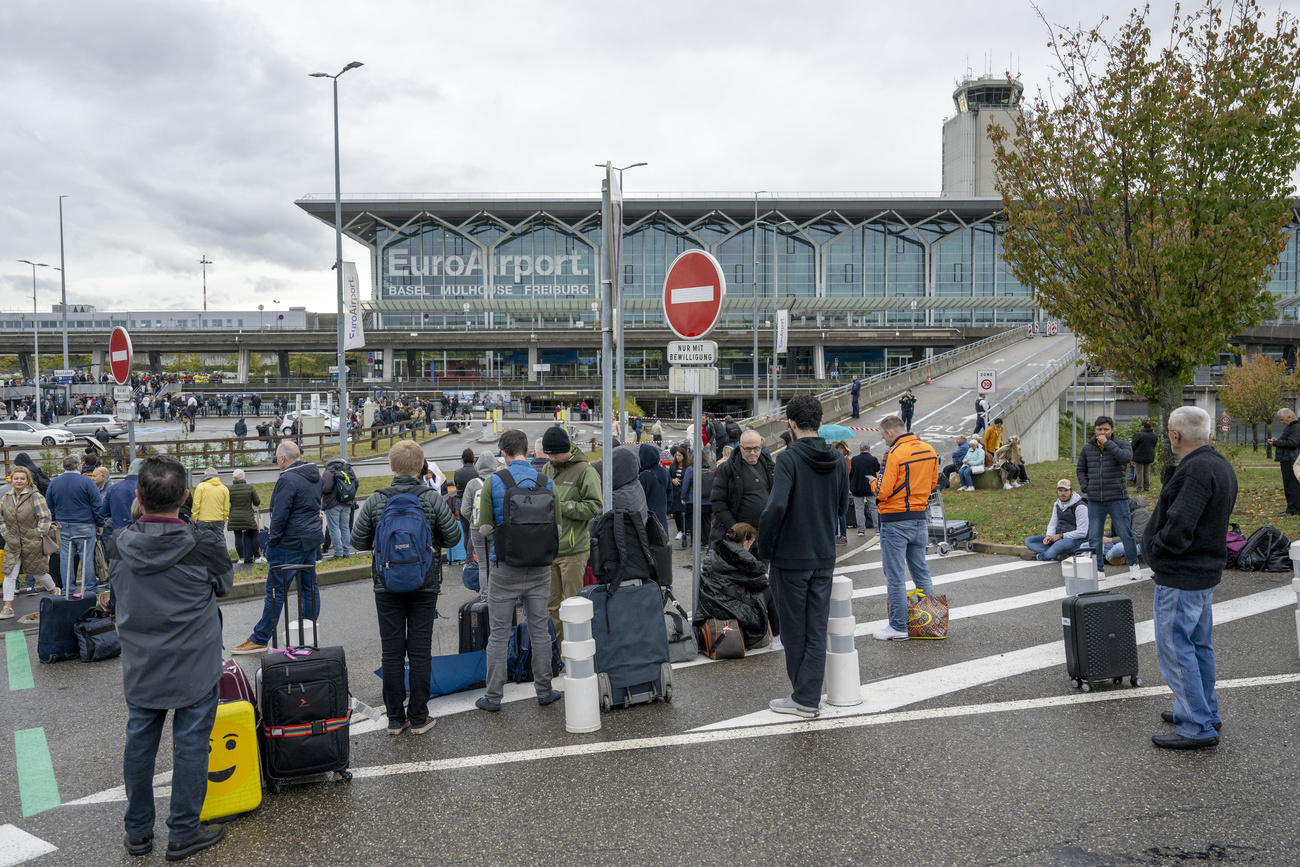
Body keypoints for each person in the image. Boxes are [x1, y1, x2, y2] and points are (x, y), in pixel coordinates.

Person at [106, 454, 232, 861]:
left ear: (139, 497)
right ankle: (183, 830)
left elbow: (117, 594)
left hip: (142, 661)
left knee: (139, 743)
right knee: (193, 744)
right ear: (186, 497)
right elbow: (224, 587)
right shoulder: (204, 544)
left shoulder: (118, 546)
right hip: (195, 660)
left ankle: (138, 832)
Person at [351, 439, 460, 736]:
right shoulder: (431, 498)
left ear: (391, 466)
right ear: (421, 467)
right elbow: (452, 537)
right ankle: (420, 717)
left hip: (386, 584)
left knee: (392, 651)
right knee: (420, 650)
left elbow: (357, 541)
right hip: (424, 582)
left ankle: (395, 719)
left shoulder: (377, 500)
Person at [1144, 406, 1235, 749]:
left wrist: (1157, 548)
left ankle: (1196, 725)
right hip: (1203, 571)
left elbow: (1180, 524)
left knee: (1175, 648)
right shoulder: (1218, 464)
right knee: (1197, 646)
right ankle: (1202, 710)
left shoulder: (1196, 469)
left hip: (1183, 574)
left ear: (1175, 435)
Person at [757, 394, 848, 718]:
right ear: (820, 423)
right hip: (823, 555)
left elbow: (776, 507)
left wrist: (765, 549)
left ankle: (805, 698)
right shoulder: (837, 461)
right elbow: (842, 507)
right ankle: (808, 694)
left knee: (794, 629)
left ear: (790, 423)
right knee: (815, 627)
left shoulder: (788, 459)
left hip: (791, 557)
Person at [475, 429, 561, 712]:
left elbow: (485, 528)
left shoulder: (493, 482)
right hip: (539, 568)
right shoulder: (546, 482)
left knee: (499, 633)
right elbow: (557, 528)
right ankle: (545, 690)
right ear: (527, 449)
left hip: (504, 569)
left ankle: (493, 696)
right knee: (539, 630)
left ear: (503, 453)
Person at [232, 441, 323, 655]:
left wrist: (272, 541)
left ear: (282, 458)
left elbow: (280, 515)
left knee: (275, 591)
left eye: (276, 457)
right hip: (310, 539)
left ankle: (260, 638)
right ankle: (306, 634)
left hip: (288, 543)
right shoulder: (314, 474)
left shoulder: (288, 479)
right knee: (309, 586)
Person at [871, 415, 939, 641]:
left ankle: (898, 626)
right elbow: (932, 483)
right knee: (921, 571)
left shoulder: (893, 453)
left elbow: (882, 490)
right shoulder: (929, 449)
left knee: (895, 575)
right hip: (919, 517)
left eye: (883, 436)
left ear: (890, 432)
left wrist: (873, 482)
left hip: (895, 519)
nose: (884, 441)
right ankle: (932, 622)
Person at [540, 426, 601, 641]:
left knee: (574, 605)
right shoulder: (547, 469)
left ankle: (578, 651)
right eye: (548, 453)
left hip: (574, 551)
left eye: (555, 453)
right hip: (549, 550)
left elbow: (593, 507)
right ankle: (559, 653)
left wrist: (561, 506)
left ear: (567, 449)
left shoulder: (586, 470)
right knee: (551, 607)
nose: (552, 458)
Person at [1077, 416, 1141, 579]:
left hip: (1117, 497)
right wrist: (1086, 487)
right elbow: (1081, 470)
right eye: (1099, 429)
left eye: (1106, 429)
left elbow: (1125, 458)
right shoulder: (1087, 449)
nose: (1102, 432)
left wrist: (1107, 443)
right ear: (1095, 430)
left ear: (1112, 430)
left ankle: (1133, 565)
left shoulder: (1122, 445)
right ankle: (1098, 569)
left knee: (1125, 533)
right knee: (1095, 536)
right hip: (1095, 499)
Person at [696, 522, 771, 650]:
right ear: (746, 541)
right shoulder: (744, 557)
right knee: (771, 590)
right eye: (752, 542)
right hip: (729, 606)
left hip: (711, 602)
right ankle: (777, 637)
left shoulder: (715, 550)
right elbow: (761, 582)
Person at [0, 466, 59, 618]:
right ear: (11, 480)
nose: (19, 481)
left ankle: (53, 590)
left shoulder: (35, 496)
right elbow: (1, 518)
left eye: (22, 478)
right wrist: (6, 534)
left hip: (32, 542)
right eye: (16, 478)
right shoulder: (5, 497)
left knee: (38, 572)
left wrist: (38, 534)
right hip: (12, 543)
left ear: (27, 480)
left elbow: (45, 517)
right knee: (9, 574)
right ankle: (7, 607)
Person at [46, 453, 105, 599]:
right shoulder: (87, 482)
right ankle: (90, 588)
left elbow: (50, 505)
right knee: (86, 558)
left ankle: (68, 588)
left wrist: (55, 521)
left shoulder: (54, 482)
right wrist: (100, 523)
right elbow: (96, 504)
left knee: (65, 558)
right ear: (78, 465)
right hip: (84, 523)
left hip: (63, 525)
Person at [710, 429, 774, 543]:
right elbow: (718, 501)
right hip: (737, 538)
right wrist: (735, 530)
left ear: (761, 446)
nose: (753, 452)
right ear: (740, 447)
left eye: (756, 448)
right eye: (748, 449)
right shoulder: (727, 469)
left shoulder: (769, 467)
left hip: (762, 535)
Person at [1021, 480, 1090, 562]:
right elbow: (1052, 523)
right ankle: (1057, 554)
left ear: (1071, 491)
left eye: (1066, 490)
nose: (1063, 493)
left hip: (1078, 541)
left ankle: (1040, 556)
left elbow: (1082, 532)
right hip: (1058, 539)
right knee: (1029, 541)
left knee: (1059, 545)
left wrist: (1061, 536)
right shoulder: (1057, 504)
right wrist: (1049, 536)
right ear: (1057, 491)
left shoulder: (1080, 507)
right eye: (1060, 490)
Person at [460, 451, 498, 599]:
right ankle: (496, 594)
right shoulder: (498, 481)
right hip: (496, 528)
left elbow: (464, 509)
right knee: (495, 563)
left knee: (483, 564)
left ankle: (485, 595)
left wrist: (473, 520)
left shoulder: (472, 484)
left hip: (477, 529)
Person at [320, 456, 355, 559]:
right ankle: (346, 553)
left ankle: (338, 553)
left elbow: (325, 488)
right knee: (345, 527)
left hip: (332, 503)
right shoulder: (348, 468)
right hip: (347, 502)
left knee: (334, 528)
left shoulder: (329, 471)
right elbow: (355, 483)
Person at [1268, 407, 1300, 516]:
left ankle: (1293, 510)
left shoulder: (1296, 427)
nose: (1281, 422)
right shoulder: (1291, 427)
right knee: (1289, 485)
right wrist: (1278, 441)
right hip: (1287, 459)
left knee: (1292, 485)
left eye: (1282, 419)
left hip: (1291, 459)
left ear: (1289, 417)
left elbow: (1292, 443)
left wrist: (1276, 443)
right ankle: (1293, 508)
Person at [227, 468, 262, 565]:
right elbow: (257, 502)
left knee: (237, 536)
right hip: (248, 516)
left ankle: (241, 558)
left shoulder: (229, 489)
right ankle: (257, 556)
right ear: (243, 476)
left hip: (234, 517)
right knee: (254, 534)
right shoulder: (250, 488)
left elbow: (226, 502)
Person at [638, 442, 672, 539]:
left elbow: (640, 497)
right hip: (662, 513)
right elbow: (670, 493)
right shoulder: (665, 472)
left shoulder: (644, 475)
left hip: (648, 516)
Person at [1104, 495, 1149, 565]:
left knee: (1118, 548)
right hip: (1120, 541)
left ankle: (1107, 558)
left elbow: (1137, 537)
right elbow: (1114, 532)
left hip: (1139, 544)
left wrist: (1110, 540)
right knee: (1087, 546)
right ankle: (1121, 558)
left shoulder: (1141, 512)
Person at [849, 442, 880, 539]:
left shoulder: (854, 459)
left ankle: (861, 530)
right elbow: (878, 469)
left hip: (857, 487)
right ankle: (877, 529)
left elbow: (851, 473)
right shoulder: (873, 459)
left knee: (859, 509)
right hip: (870, 487)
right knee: (874, 508)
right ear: (869, 449)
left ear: (860, 449)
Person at [105, 458, 143, 538]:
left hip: (119, 534)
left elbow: (103, 513)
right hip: (140, 534)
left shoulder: (113, 488)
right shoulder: (146, 488)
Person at [681, 450, 712, 545]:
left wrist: (683, 497)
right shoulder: (709, 469)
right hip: (707, 501)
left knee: (693, 522)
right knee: (706, 523)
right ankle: (706, 541)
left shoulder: (691, 469)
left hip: (693, 500)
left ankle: (695, 542)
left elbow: (685, 484)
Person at [191, 467, 229, 533]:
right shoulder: (224, 488)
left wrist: (195, 517)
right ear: (216, 476)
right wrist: (224, 519)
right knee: (219, 541)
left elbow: (196, 504)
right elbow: (226, 508)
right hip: (218, 519)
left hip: (203, 520)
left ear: (205, 475)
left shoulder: (200, 486)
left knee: (203, 541)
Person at [667, 447, 689, 541]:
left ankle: (686, 529)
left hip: (684, 490)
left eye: (680, 455)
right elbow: (669, 476)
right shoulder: (672, 465)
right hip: (675, 491)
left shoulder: (687, 466)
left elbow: (689, 478)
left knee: (685, 511)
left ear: (684, 456)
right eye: (676, 455)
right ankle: (679, 530)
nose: (678, 457)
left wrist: (681, 481)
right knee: (677, 512)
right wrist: (672, 480)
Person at [1132, 419, 1157, 493]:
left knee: (1139, 472)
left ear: (1142, 426)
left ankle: (1139, 488)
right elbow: (1154, 444)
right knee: (1146, 472)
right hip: (1149, 455)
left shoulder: (1139, 434)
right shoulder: (1154, 434)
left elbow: (1133, 445)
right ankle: (1146, 488)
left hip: (1139, 456)